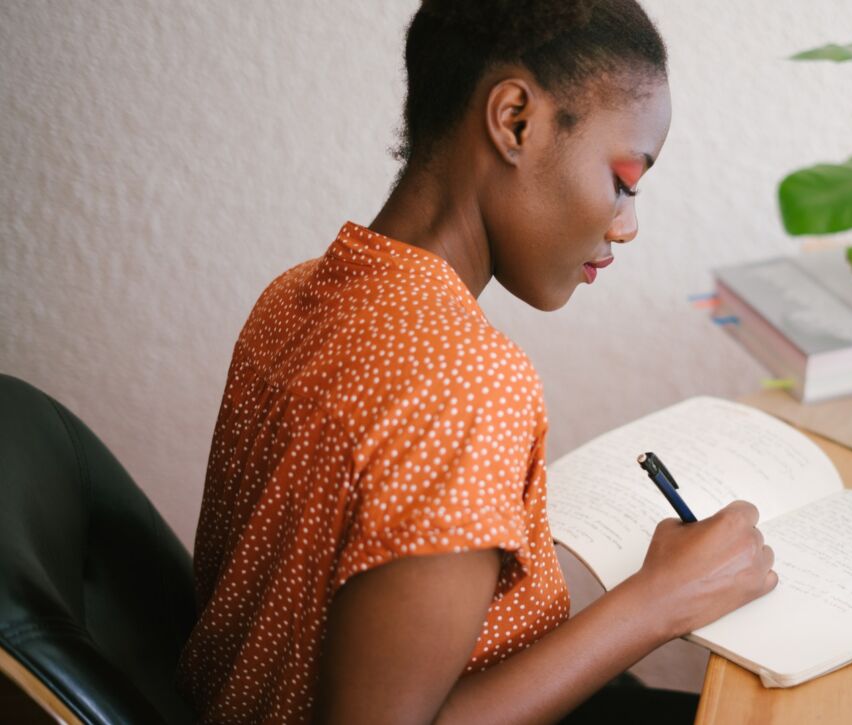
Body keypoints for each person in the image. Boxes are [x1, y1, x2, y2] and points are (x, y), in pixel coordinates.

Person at [177, 2, 778, 723]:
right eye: (623, 180)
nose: (627, 224)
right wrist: (657, 602)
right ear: (515, 119)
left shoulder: (295, 294)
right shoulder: (466, 381)